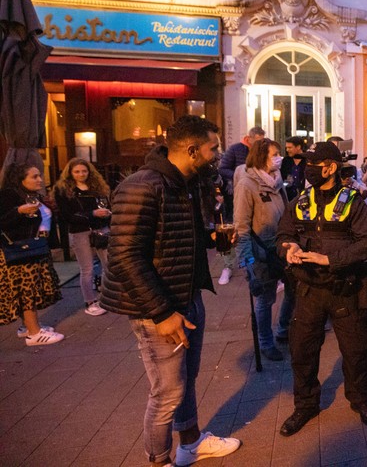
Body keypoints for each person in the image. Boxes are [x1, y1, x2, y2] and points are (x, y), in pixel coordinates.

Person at [101, 116, 240, 467]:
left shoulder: (185, 183)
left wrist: (211, 237)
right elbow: (125, 255)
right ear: (192, 150)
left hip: (187, 296)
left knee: (186, 380)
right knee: (167, 392)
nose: (217, 155)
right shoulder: (142, 186)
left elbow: (176, 238)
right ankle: (158, 460)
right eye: (213, 149)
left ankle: (191, 443)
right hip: (159, 308)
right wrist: (161, 313)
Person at [275, 142, 367, 436]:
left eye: (313, 164)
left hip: (344, 288)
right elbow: (282, 235)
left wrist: (330, 259)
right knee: (302, 351)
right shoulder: (299, 200)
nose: (308, 169)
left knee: (356, 350)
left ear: (330, 168)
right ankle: (306, 405)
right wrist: (289, 248)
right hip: (308, 290)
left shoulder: (353, 202)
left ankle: (361, 400)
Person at [234, 138, 292, 362]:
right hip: (262, 254)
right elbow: (241, 227)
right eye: (274, 154)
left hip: (282, 249)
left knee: (293, 292)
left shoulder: (277, 183)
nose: (279, 158)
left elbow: (286, 213)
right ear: (262, 157)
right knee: (265, 300)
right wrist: (248, 263)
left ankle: (283, 329)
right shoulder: (247, 185)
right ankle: (266, 342)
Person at [0, 163, 64, 346]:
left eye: (39, 176)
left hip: (35, 248)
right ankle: (34, 333)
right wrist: (18, 211)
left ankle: (27, 327)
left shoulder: (31, 196)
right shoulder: (9, 196)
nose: (40, 180)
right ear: (21, 179)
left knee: (32, 289)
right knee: (27, 290)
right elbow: (3, 221)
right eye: (34, 176)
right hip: (20, 251)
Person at [53, 158, 112, 316]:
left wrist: (107, 214)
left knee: (110, 264)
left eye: (84, 171)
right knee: (87, 268)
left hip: (101, 228)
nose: (81, 174)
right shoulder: (63, 190)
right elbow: (67, 216)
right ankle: (90, 301)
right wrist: (93, 213)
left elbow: (106, 205)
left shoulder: (97, 187)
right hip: (80, 231)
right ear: (70, 173)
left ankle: (107, 296)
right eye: (77, 171)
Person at [216, 126, 266, 285]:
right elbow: (222, 169)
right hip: (234, 194)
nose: (260, 144)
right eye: (257, 141)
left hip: (254, 196)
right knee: (231, 228)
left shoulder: (260, 152)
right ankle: (228, 266)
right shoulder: (236, 149)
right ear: (249, 138)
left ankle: (254, 264)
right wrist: (241, 177)